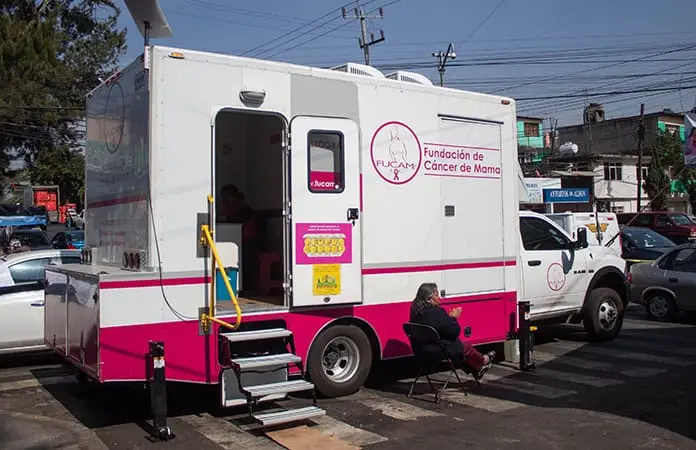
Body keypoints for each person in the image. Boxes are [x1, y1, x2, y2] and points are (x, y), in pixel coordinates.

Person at [409, 282, 495, 380]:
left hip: (420, 350)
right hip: (437, 351)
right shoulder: (437, 312)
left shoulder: (415, 311)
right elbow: (455, 331)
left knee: (457, 348)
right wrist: (453, 318)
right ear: (429, 299)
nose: (439, 298)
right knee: (464, 347)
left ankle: (476, 370)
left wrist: (447, 319)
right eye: (436, 295)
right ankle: (483, 361)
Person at [217, 184, 259, 291]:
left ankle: (247, 287)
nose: (223, 198)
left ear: (232, 195)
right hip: (234, 240)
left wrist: (224, 218)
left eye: (224, 195)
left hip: (247, 239)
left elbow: (238, 219)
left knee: (245, 265)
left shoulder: (243, 207)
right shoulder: (227, 207)